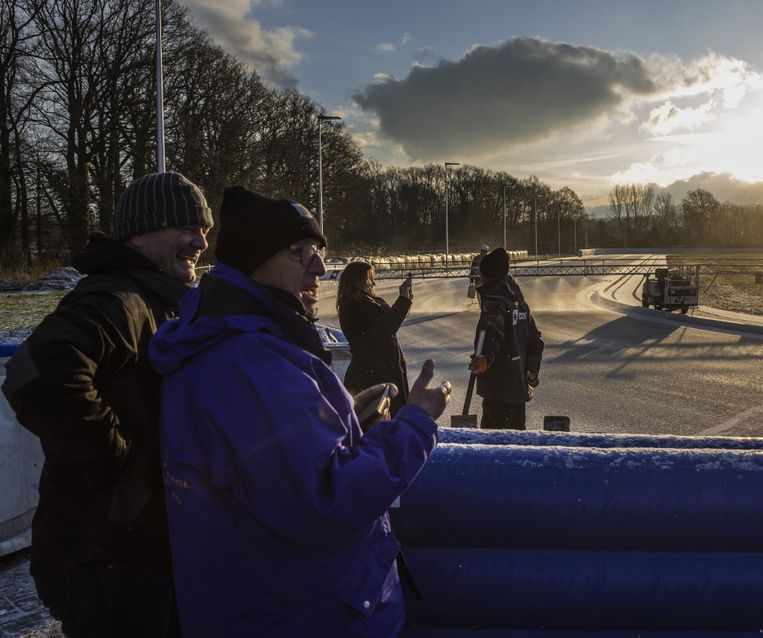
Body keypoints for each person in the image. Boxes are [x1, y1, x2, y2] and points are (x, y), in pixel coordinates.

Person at [149, 185, 451, 637]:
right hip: (304, 613)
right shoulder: (251, 362)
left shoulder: (235, 345)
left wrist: (346, 416)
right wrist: (416, 425)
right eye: (299, 252)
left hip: (268, 603)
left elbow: (272, 472)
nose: (320, 267)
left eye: (318, 251)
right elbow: (326, 500)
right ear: (254, 264)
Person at [1, 172, 213, 637]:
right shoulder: (118, 297)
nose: (200, 240)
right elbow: (36, 372)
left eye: (204, 230)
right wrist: (110, 456)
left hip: (136, 552)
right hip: (111, 558)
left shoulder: (153, 296)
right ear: (142, 232)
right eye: (186, 228)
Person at [468, 246, 544, 429]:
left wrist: (485, 359)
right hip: (518, 388)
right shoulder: (518, 302)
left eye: (481, 274)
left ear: (489, 277)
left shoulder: (495, 303)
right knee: (515, 449)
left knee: (494, 449)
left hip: (499, 390)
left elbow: (492, 335)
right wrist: (531, 371)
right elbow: (535, 341)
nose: (478, 279)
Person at [337, 261, 414, 412]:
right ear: (357, 280)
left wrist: (405, 300)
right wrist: (403, 300)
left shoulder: (366, 302)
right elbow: (386, 329)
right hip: (372, 376)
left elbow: (387, 323)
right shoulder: (355, 306)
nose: (373, 282)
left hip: (378, 372)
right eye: (369, 278)